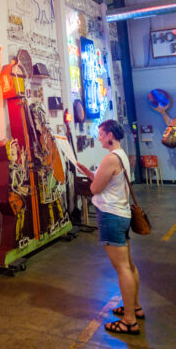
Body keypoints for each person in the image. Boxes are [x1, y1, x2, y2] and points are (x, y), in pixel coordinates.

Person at [77, 120, 143, 336]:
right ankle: (135, 307)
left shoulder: (109, 159)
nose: (98, 137)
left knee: (122, 268)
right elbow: (109, 182)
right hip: (122, 214)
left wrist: (92, 182)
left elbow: (96, 189)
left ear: (110, 135)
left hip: (111, 216)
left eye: (101, 133)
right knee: (129, 265)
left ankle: (129, 321)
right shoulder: (121, 155)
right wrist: (90, 172)